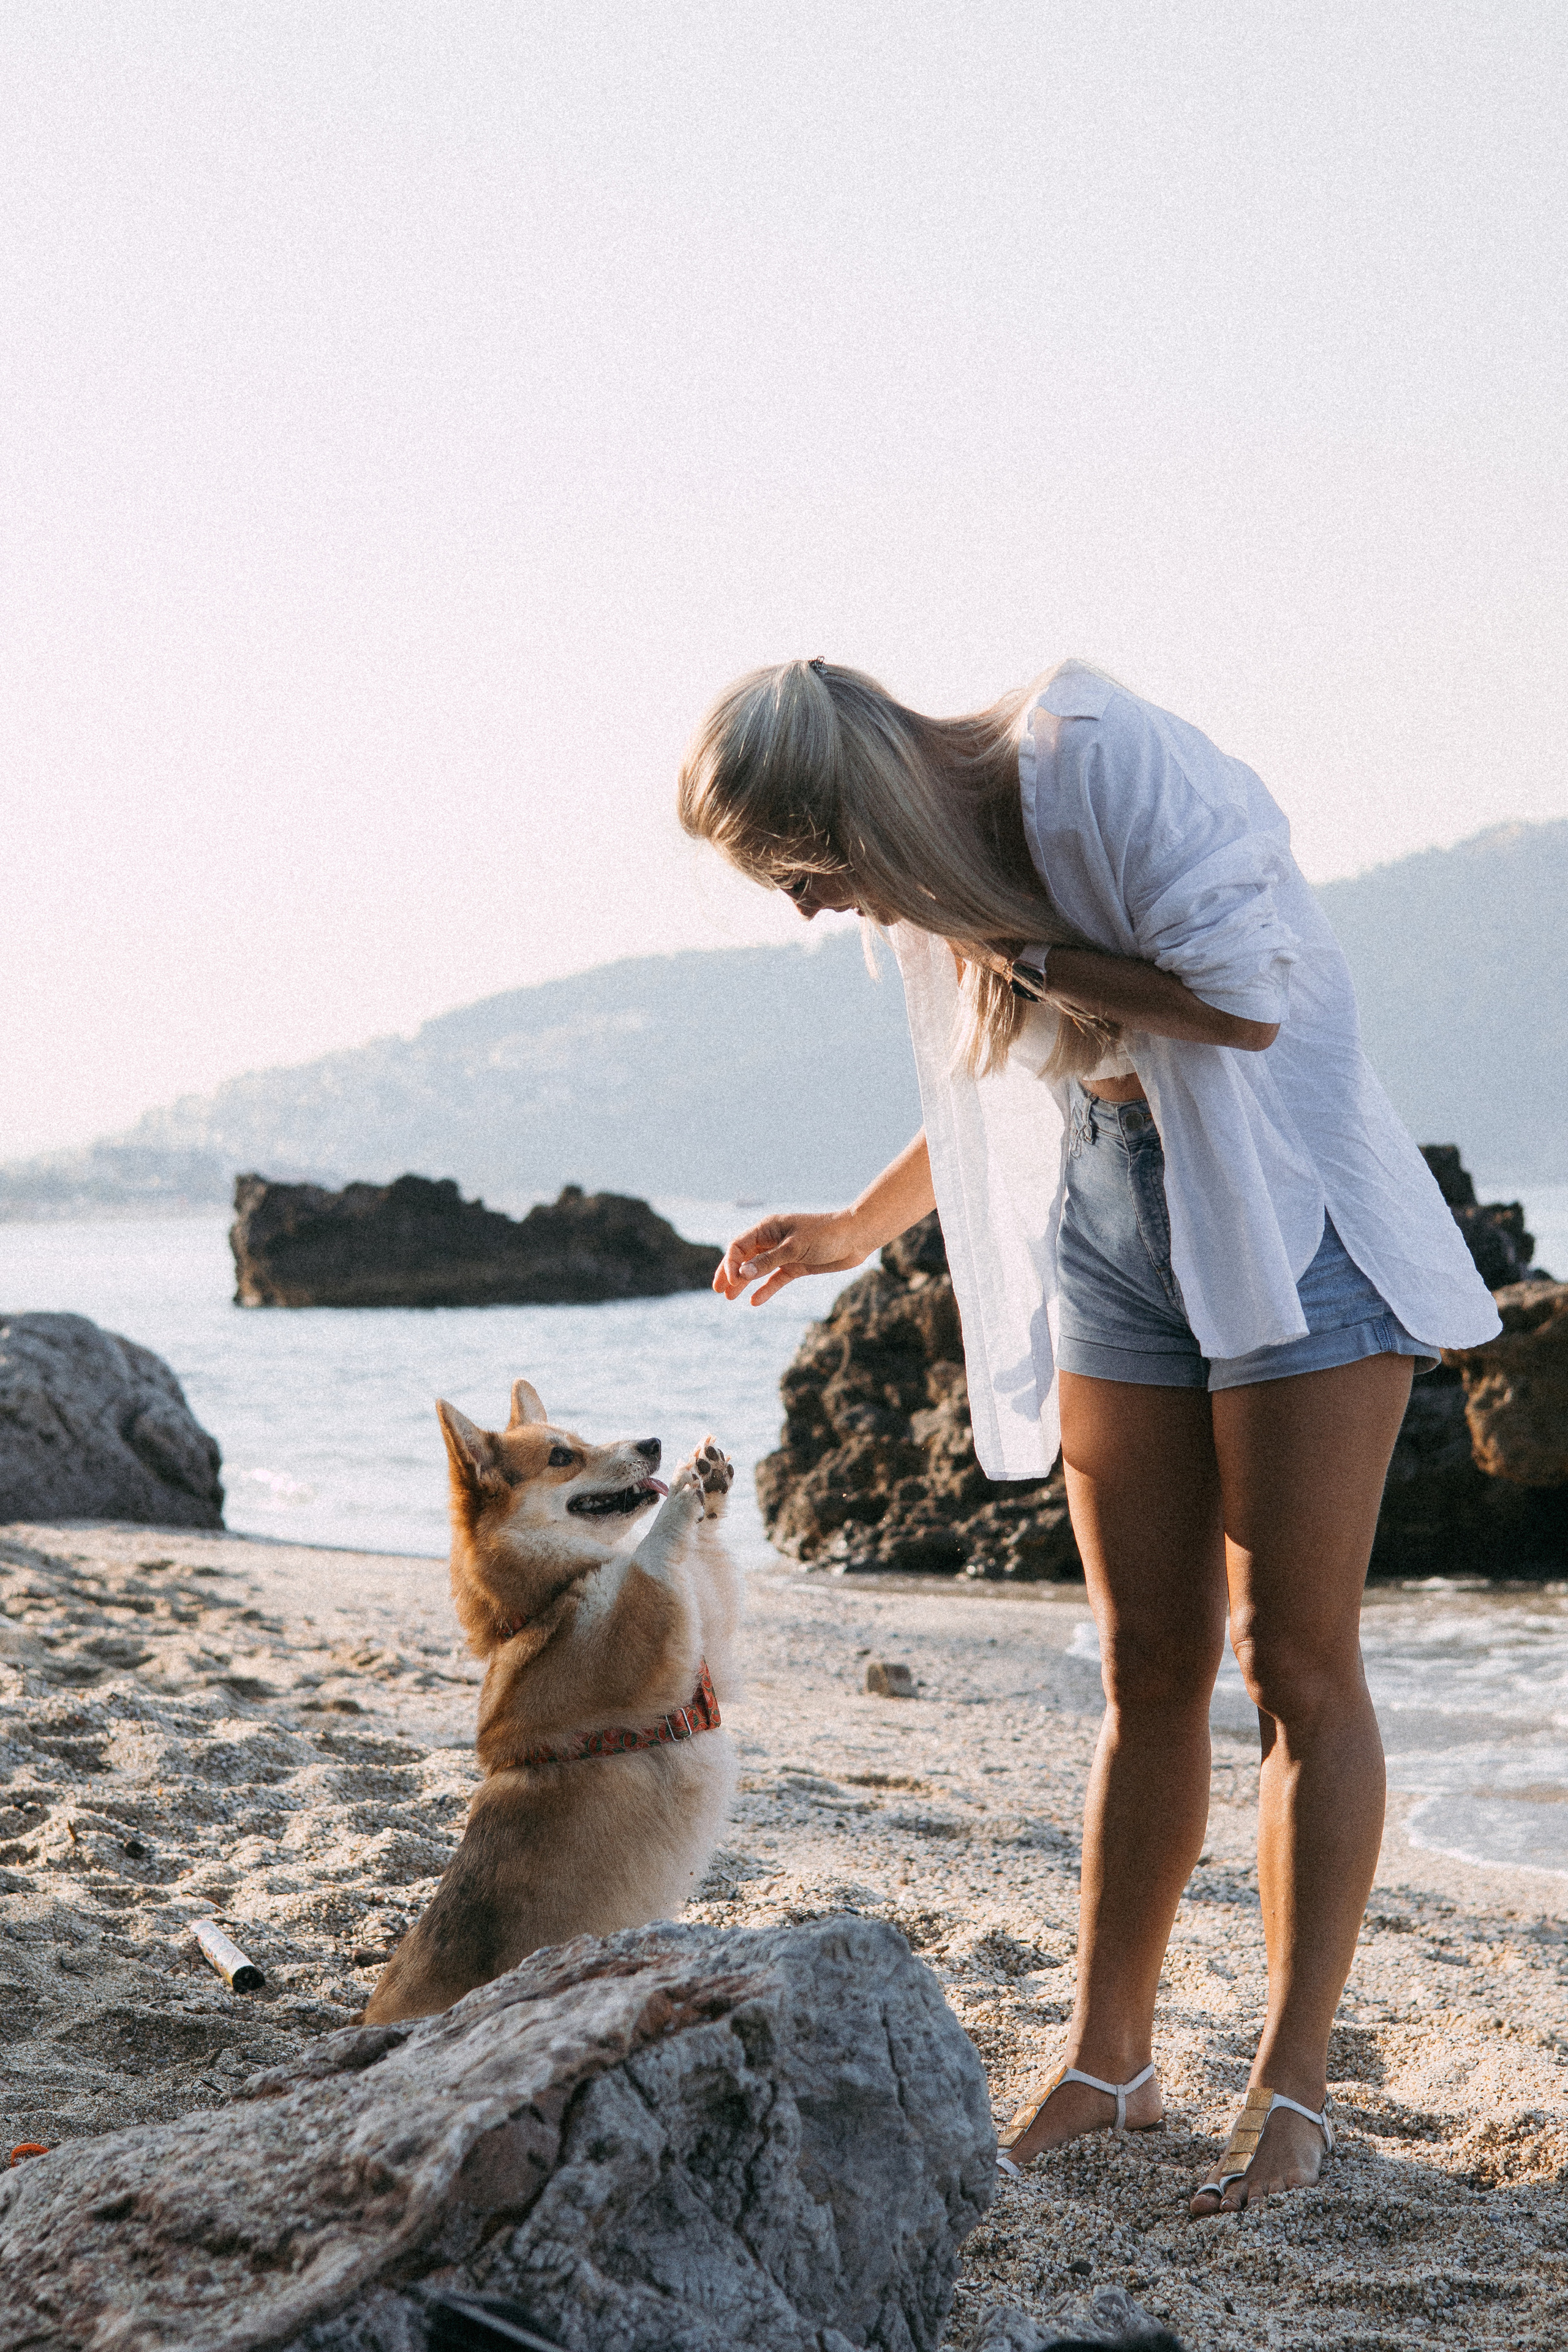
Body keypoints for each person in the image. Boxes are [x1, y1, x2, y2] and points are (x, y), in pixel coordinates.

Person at [677, 656, 1500, 2214]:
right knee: (1143, 1670)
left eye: (803, 871)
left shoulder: (1097, 758)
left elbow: (1245, 1006)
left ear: (852, 804)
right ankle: (1110, 2063)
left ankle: (1292, 2084)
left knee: (1297, 1669)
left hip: (1289, 1216)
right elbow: (999, 1065)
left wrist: (1024, 943)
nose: (807, 910)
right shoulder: (943, 875)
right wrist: (859, 1225)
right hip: (1110, 1217)